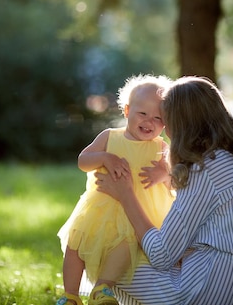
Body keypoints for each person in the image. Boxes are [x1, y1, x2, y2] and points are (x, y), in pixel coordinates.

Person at [95, 76, 233, 305]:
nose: (167, 133)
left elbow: (161, 255)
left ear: (182, 124)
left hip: (214, 291)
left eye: (166, 121)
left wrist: (125, 194)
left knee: (108, 258)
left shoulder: (204, 169)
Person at [56, 74, 176, 305]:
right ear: (127, 110)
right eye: (142, 113)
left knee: (126, 246)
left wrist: (163, 173)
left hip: (139, 215)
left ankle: (103, 288)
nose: (149, 122)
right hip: (101, 210)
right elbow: (83, 161)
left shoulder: (162, 148)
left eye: (158, 118)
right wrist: (104, 157)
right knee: (76, 244)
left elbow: (175, 182)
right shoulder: (110, 137)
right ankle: (70, 294)